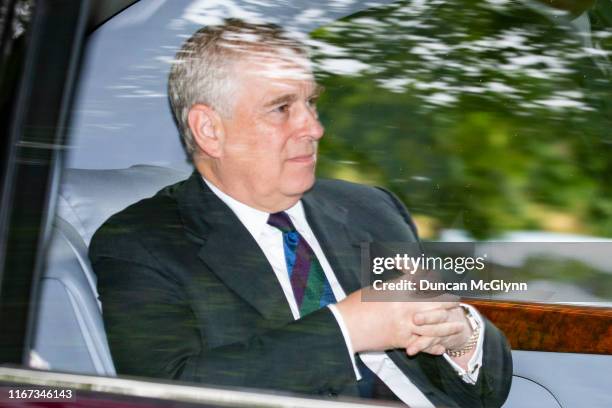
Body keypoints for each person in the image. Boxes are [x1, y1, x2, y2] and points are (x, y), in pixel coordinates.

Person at [89, 19, 512, 407]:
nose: (313, 127)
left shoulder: (371, 209)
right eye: (281, 108)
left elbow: (479, 391)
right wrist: (347, 329)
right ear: (210, 130)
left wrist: (462, 337)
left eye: (311, 103)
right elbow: (169, 392)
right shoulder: (144, 242)